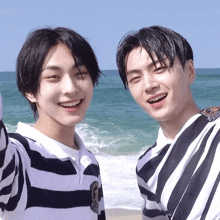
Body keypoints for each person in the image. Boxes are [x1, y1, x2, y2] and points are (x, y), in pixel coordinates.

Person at [0, 27, 106, 220]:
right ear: (29, 91)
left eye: (80, 73)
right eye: (53, 77)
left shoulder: (90, 163)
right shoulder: (19, 157)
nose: (71, 88)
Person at [116, 25, 220, 219]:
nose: (149, 85)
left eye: (159, 69)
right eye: (135, 78)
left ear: (189, 71)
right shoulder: (147, 166)